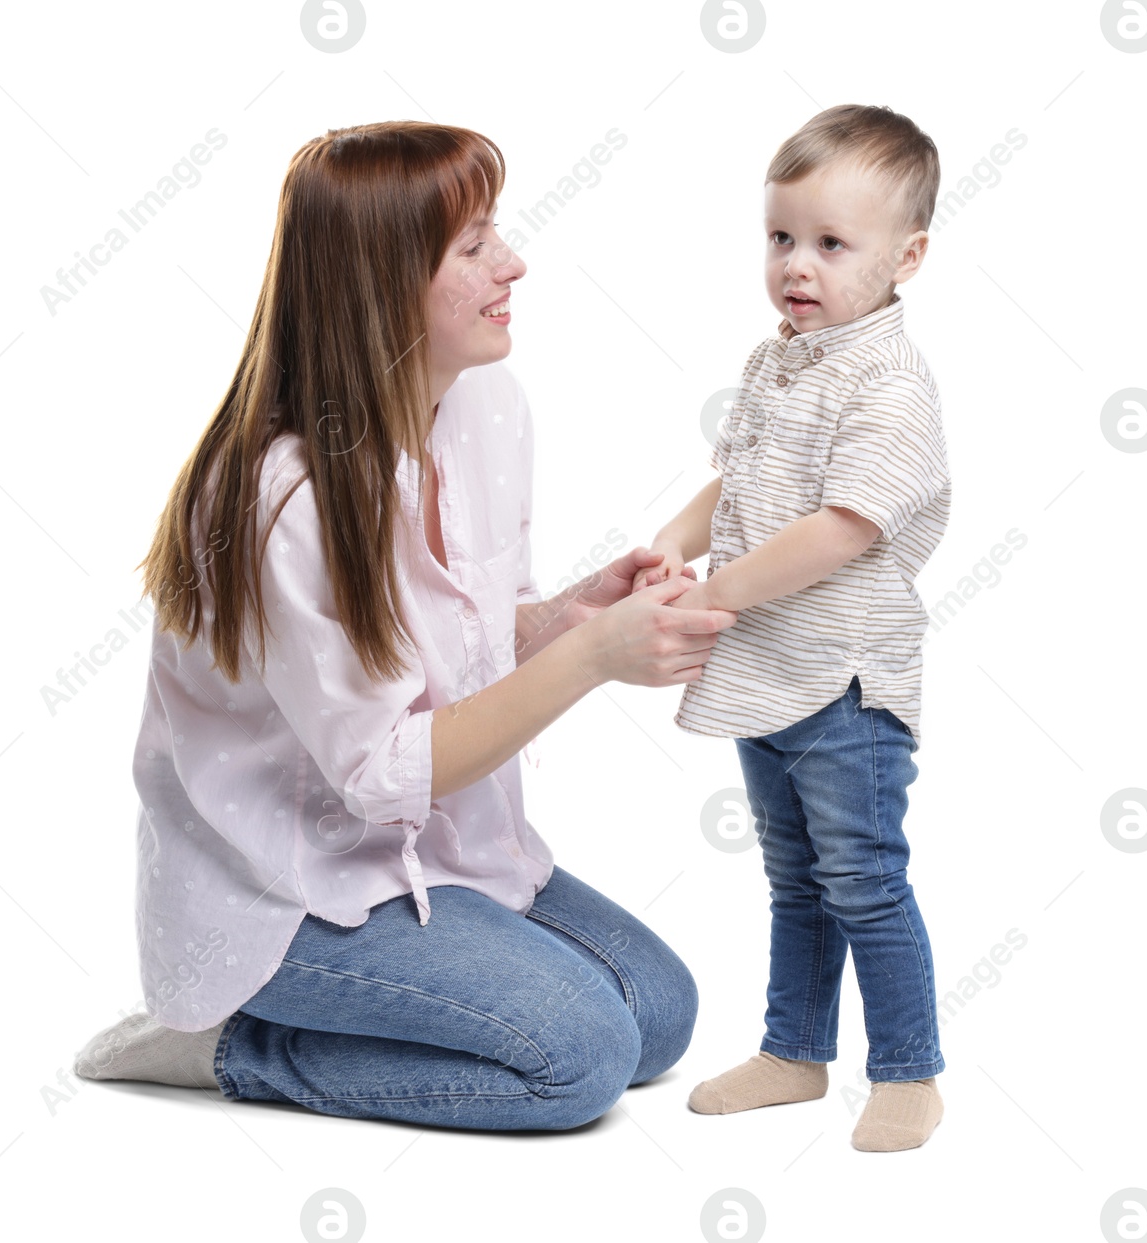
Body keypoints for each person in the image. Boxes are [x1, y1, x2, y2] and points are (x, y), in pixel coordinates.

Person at [71, 120, 739, 1132]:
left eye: (494, 233)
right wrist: (593, 662)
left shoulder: (487, 407)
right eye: (473, 247)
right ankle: (230, 1042)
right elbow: (379, 774)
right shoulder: (280, 496)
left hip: (441, 857)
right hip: (292, 896)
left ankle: (366, 1011)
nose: (513, 262)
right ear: (382, 281)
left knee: (657, 1014)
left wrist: (566, 619)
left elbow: (449, 649)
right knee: (579, 1061)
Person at [635, 104, 952, 1151]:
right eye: (780, 238)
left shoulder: (890, 383)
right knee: (792, 875)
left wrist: (712, 598)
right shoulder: (782, 360)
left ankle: (907, 1067)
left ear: (905, 256)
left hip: (844, 683)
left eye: (829, 244)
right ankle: (793, 1051)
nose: (795, 267)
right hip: (766, 671)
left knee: (862, 875)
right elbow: (740, 479)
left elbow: (841, 527)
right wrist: (673, 548)